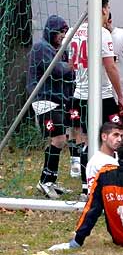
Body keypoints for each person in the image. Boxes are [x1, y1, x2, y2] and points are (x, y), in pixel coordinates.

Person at [69, 0, 123, 199]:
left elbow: (70, 65)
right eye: (108, 7)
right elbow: (110, 66)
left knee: (86, 139)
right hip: (101, 95)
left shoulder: (73, 32)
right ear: (104, 10)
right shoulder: (102, 33)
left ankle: (87, 187)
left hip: (80, 94)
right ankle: (113, 182)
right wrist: (120, 96)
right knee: (114, 135)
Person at [27, 15, 74, 199]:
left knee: (61, 138)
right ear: (51, 31)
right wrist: (71, 65)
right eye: (60, 32)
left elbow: (68, 74)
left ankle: (49, 180)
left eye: (65, 32)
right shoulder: (41, 47)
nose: (63, 35)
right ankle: (45, 181)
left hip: (58, 100)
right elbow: (55, 70)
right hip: (44, 100)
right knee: (59, 139)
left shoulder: (59, 49)